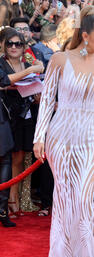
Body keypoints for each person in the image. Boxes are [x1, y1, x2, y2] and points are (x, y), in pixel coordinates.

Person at [33, 5, 94, 257]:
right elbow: (46, 100)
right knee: (64, 198)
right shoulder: (59, 59)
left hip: (93, 138)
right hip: (61, 136)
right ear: (85, 36)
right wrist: (39, 137)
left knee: (83, 200)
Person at [0, 29, 44, 227]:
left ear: (24, 46)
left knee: (18, 158)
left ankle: (12, 199)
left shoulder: (28, 64)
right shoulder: (2, 64)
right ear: (3, 45)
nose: (14, 47)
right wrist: (27, 75)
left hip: (25, 115)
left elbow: (36, 89)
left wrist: (35, 90)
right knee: (8, 158)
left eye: (18, 44)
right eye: (10, 43)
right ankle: (9, 201)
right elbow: (3, 83)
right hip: (6, 117)